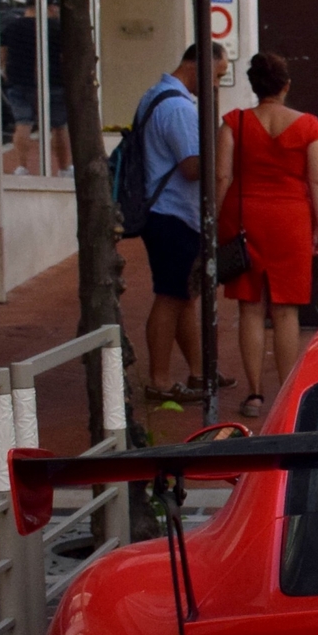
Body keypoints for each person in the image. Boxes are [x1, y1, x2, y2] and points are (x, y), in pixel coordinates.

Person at [215, 51, 318, 421]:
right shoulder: (309, 126)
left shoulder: (235, 123)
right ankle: (287, 393)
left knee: (249, 308)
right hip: (291, 220)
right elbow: (317, 180)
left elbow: (222, 177)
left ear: (253, 86)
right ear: (286, 86)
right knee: (285, 310)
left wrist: (214, 221)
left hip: (245, 218)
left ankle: (254, 394)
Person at [136, 43, 225, 405]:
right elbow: (192, 166)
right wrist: (223, 153)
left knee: (184, 295)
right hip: (171, 213)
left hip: (168, 213)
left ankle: (199, 372)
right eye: (217, 76)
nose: (216, 85)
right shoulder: (177, 108)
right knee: (170, 297)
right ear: (198, 66)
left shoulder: (156, 97)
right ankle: (158, 379)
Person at [1, 0, 68, 175]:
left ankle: (21, 167)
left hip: (19, 83)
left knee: (23, 124)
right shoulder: (57, 28)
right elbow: (65, 58)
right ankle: (64, 167)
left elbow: (3, 56)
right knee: (59, 126)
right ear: (50, 7)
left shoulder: (12, 27)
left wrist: (8, 75)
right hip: (53, 83)